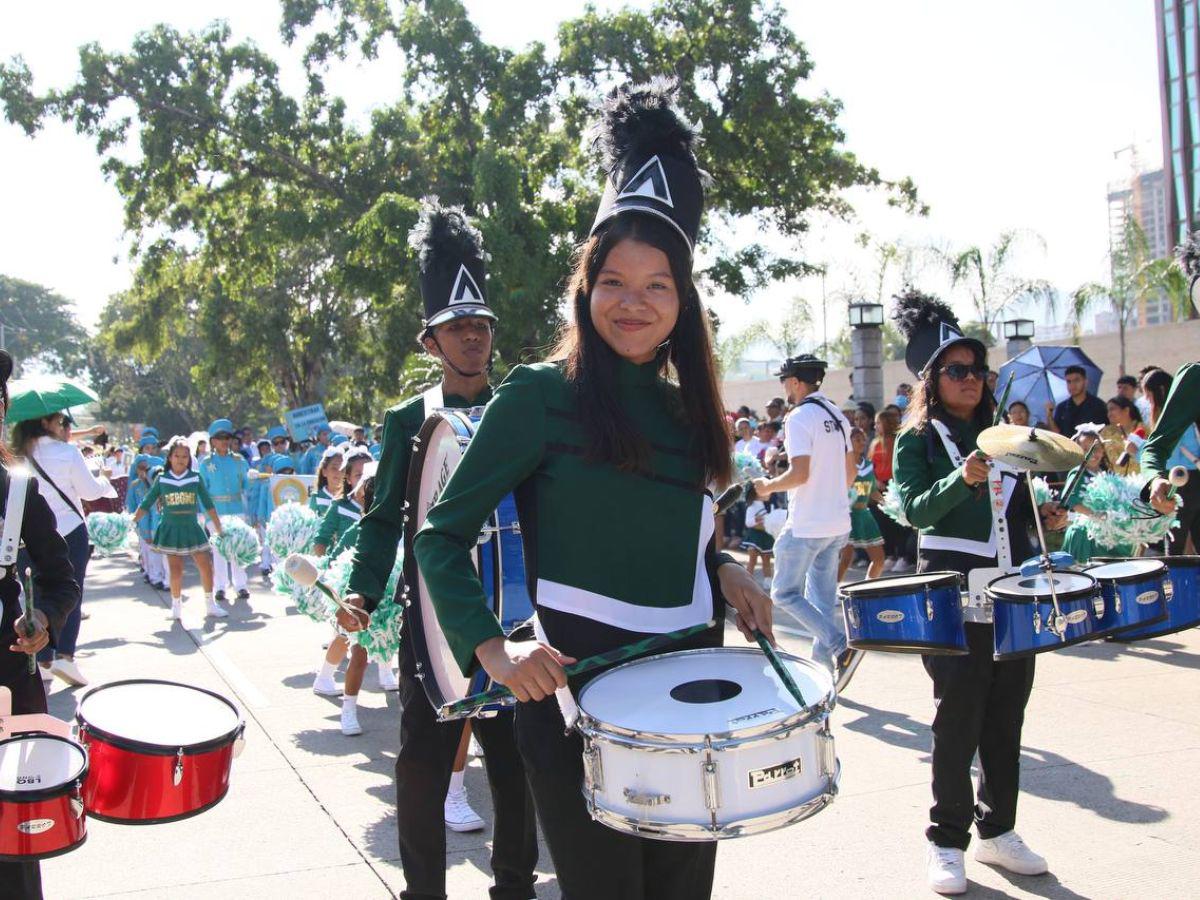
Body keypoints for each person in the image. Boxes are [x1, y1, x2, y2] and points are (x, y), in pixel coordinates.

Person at [403, 83, 772, 900]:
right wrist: (496, 651)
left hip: (693, 697)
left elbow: (687, 533)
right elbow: (439, 535)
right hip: (575, 712)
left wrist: (729, 571)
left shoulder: (691, 414)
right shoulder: (537, 395)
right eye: (613, 280)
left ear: (683, 305)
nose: (632, 303)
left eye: (657, 285)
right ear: (586, 287)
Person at [341, 199, 539, 899]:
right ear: (430, 342)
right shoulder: (407, 419)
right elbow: (382, 516)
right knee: (422, 763)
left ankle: (513, 885)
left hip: (517, 618)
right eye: (457, 328)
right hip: (433, 621)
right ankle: (423, 890)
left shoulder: (523, 402)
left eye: (481, 326)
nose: (472, 338)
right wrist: (362, 590)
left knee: (518, 766)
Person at [891, 288, 1067, 895]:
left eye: (976, 370)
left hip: (1013, 595)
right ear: (932, 379)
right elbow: (913, 510)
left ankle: (999, 831)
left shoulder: (1006, 439)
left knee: (1006, 718)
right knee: (956, 721)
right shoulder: (916, 440)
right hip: (951, 598)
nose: (969, 379)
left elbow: (1015, 519)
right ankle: (946, 840)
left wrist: (1045, 521)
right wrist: (961, 478)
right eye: (955, 370)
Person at [0, 350, 83, 900]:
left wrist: (46, 620)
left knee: (12, 850)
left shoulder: (17, 489)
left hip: (8, 682)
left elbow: (61, 578)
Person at [752, 353, 856, 680]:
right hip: (837, 522)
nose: (785, 387)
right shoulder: (838, 415)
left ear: (796, 382)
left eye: (785, 381)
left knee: (783, 593)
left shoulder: (798, 417)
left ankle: (841, 645)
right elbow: (850, 473)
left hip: (808, 523)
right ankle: (824, 672)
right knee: (821, 603)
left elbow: (799, 474)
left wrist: (767, 487)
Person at [12, 409, 116, 687]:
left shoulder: (14, 454)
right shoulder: (66, 453)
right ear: (44, 421)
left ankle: (43, 658)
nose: (63, 426)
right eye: (59, 421)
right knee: (70, 590)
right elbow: (91, 492)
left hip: (24, 535)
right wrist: (105, 479)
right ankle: (65, 656)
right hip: (68, 530)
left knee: (34, 597)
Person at [312, 454, 396, 734]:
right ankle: (348, 709)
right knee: (357, 650)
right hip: (359, 597)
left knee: (390, 645)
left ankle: (390, 679)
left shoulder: (400, 525)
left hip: (390, 595)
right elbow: (335, 556)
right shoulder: (357, 527)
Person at [132, 436, 226, 620]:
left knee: (206, 566)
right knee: (175, 569)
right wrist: (132, 520)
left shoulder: (195, 478)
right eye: (177, 456)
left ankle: (210, 605)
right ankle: (176, 607)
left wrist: (219, 528)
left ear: (189, 459)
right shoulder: (162, 479)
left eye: (185, 456)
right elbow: (147, 502)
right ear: (169, 458)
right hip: (170, 528)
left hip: (192, 527)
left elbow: (208, 504)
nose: (181, 459)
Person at [1060, 425, 1131, 564]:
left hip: (1105, 534)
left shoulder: (1105, 474)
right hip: (1085, 535)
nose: (1092, 453)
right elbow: (1070, 499)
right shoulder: (1078, 472)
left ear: (1103, 450)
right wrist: (1094, 515)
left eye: (1096, 448)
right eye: (1086, 449)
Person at [199, 418, 252, 605]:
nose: (223, 441)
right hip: (215, 512)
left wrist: (254, 479)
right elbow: (201, 491)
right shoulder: (205, 464)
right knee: (219, 550)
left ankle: (241, 585)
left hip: (237, 509)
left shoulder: (239, 461)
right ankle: (220, 586)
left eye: (226, 437)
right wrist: (205, 516)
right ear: (212, 441)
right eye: (219, 438)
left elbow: (247, 485)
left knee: (238, 547)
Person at [841, 426, 885, 581]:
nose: (862, 442)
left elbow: (872, 491)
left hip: (864, 515)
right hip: (847, 515)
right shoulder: (841, 463)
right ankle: (831, 590)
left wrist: (888, 504)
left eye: (863, 439)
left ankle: (868, 588)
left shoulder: (867, 464)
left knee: (879, 560)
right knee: (846, 559)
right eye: (857, 439)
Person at [126, 454, 167, 591]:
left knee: (160, 552)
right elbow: (132, 505)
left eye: (146, 468)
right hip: (143, 523)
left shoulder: (155, 483)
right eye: (140, 468)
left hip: (156, 523)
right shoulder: (135, 485)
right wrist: (136, 522)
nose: (143, 472)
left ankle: (163, 577)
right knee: (148, 551)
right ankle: (154, 576)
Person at [1043, 365, 1106, 436]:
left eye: (1076, 380)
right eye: (1068, 382)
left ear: (1085, 382)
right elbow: (1058, 435)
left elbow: (1104, 432)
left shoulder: (1098, 406)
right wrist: (1049, 416)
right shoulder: (1062, 408)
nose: (1072, 385)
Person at [741, 483, 775, 588]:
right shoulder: (751, 507)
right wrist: (757, 520)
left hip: (765, 536)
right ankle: (747, 580)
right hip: (754, 536)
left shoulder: (767, 505)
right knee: (752, 559)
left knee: (766, 559)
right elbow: (748, 522)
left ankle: (768, 581)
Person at [1105, 395, 1146, 475]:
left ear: (1126, 410)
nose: (1109, 414)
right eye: (1108, 411)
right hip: (1116, 481)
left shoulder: (1144, 429)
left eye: (1112, 409)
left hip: (1142, 478)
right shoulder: (1106, 432)